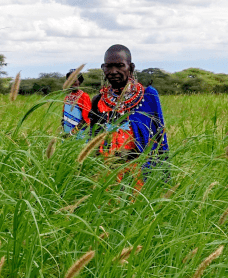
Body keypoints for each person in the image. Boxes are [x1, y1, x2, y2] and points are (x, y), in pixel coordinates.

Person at [90, 45, 168, 189]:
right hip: (106, 173)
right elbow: (93, 137)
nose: (113, 71)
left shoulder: (148, 97)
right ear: (103, 68)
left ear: (131, 67)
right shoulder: (98, 100)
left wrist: (163, 174)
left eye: (120, 66)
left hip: (139, 172)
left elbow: (160, 137)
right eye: (108, 66)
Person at [62, 70, 91, 137]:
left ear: (79, 81)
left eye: (75, 80)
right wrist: (63, 130)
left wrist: (72, 132)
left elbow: (86, 119)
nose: (72, 83)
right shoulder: (67, 97)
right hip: (66, 132)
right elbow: (63, 115)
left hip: (79, 132)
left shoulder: (84, 96)